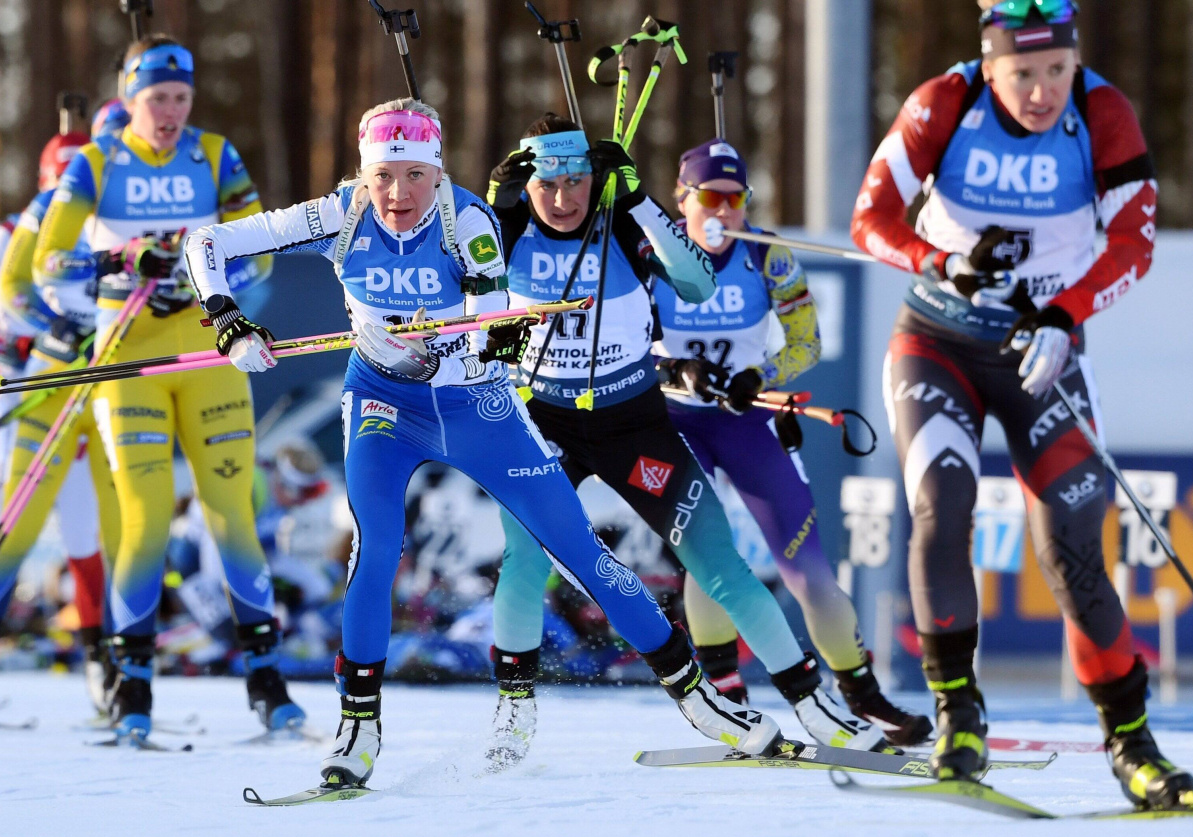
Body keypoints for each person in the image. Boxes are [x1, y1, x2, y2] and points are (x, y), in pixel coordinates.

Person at [184, 97, 784, 789]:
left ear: (437, 174)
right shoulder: (339, 214)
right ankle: (358, 728)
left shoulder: (466, 219)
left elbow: (493, 327)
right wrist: (228, 320)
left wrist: (444, 344)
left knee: (580, 551)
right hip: (384, 403)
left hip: (476, 405)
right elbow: (207, 245)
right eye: (383, 176)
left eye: (415, 175)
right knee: (374, 550)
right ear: (364, 174)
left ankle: (699, 699)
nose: (398, 194)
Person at [849, 0, 1193, 809]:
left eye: (1056, 71)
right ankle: (958, 717)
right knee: (941, 505)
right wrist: (940, 261)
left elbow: (1134, 241)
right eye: (1022, 74)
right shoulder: (943, 102)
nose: (1041, 93)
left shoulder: (1101, 113)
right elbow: (871, 219)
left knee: (1073, 551)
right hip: (939, 343)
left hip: (1046, 352)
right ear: (989, 64)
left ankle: (1133, 745)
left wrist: (1065, 317)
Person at [485, 114, 888, 767]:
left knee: (719, 564)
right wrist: (496, 209)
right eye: (546, 185)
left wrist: (640, 200)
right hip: (543, 421)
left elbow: (698, 283)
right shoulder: (505, 232)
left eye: (576, 181)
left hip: (632, 421)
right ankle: (514, 709)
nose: (562, 198)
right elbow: (456, 294)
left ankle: (814, 704)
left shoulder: (621, 224)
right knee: (524, 560)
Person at [33, 34, 303, 739]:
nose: (172, 112)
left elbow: (262, 252)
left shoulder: (214, 155)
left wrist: (201, 279)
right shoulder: (97, 162)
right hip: (129, 361)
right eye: (158, 98)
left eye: (182, 97)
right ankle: (133, 687)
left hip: (208, 353)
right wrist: (122, 259)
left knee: (231, 514)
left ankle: (268, 682)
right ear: (129, 98)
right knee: (146, 519)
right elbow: (48, 261)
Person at [655, 138, 933, 744]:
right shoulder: (652, 253)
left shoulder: (767, 254)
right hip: (677, 422)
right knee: (708, 553)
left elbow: (807, 342)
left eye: (736, 199)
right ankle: (727, 691)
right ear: (682, 198)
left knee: (807, 567)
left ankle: (864, 695)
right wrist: (672, 370)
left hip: (744, 418)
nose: (724, 211)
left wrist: (760, 376)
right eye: (710, 197)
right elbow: (620, 343)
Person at [0, 124, 121, 717]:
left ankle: (102, 660)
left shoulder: (109, 232)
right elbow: (14, 300)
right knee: (13, 529)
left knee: (85, 534)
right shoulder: (15, 233)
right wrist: (39, 336)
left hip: (85, 398)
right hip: (21, 398)